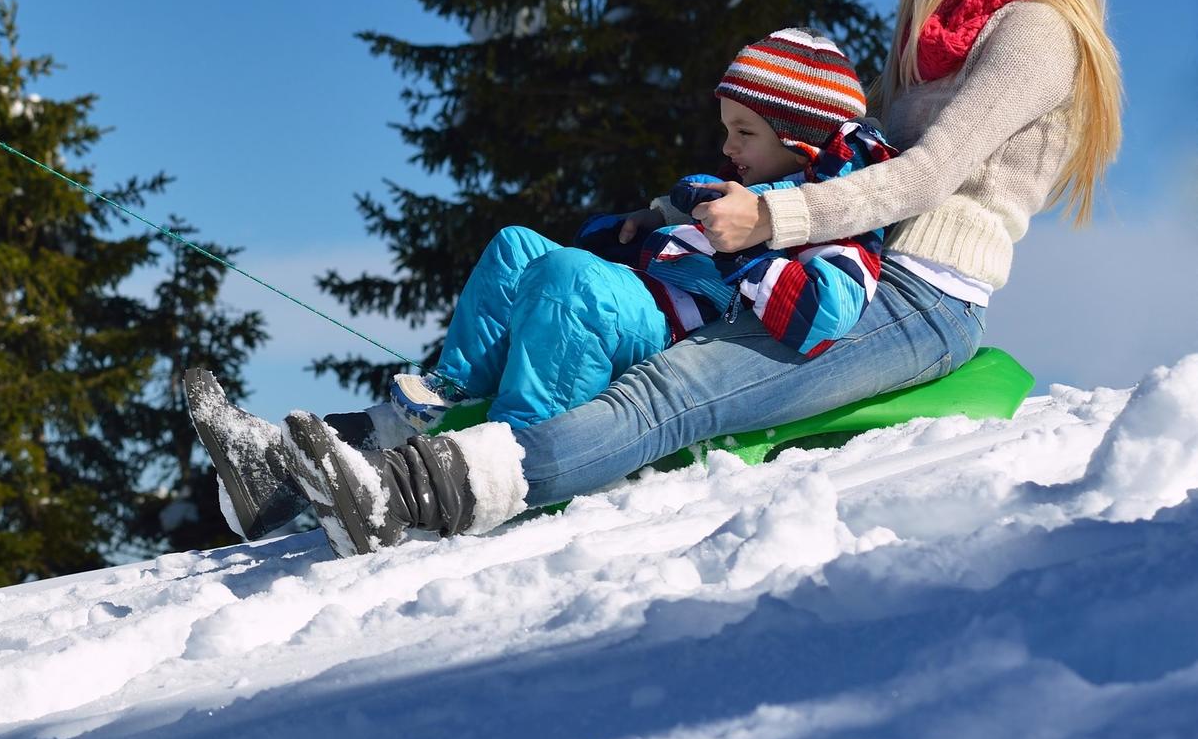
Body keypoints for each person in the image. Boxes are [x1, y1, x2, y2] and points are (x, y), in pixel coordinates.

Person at [185, 0, 1122, 552]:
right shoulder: (939, 32)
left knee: (669, 391)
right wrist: (673, 211)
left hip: (918, 301)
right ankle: (300, 464)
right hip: (850, 256)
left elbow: (924, 176)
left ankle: (403, 496)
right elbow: (840, 149)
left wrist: (773, 219)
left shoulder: (1033, 32)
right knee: (573, 307)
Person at [371, 30, 895, 458]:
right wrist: (647, 222)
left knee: (572, 281)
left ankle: (521, 442)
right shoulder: (737, 190)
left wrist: (744, 249)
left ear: (800, 137)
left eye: (745, 133)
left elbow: (825, 312)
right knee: (516, 247)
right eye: (727, 130)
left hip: (686, 330)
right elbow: (683, 219)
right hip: (649, 291)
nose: (727, 146)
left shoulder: (830, 209)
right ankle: (458, 387)